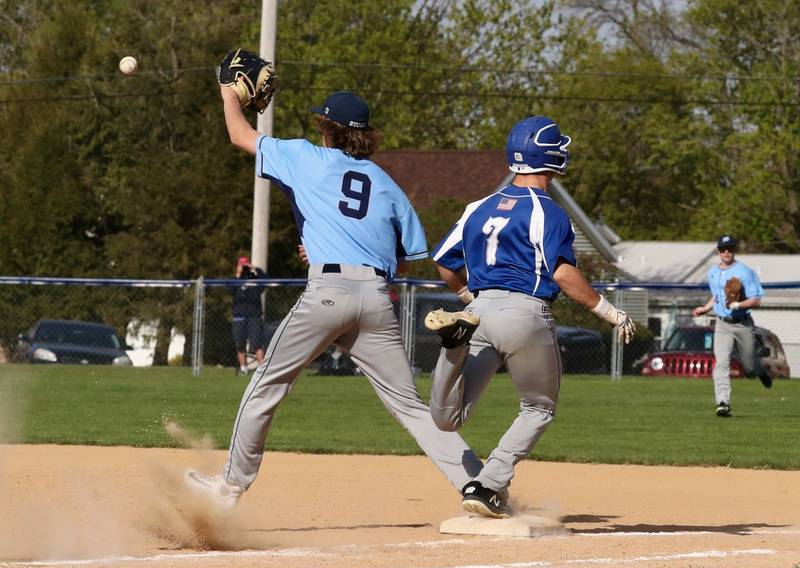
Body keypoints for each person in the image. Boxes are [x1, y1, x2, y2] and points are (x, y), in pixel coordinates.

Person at [185, 88, 483, 508]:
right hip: (377, 299)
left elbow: (240, 135)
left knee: (267, 384)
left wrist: (226, 92)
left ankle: (229, 487)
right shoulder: (388, 184)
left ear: (327, 128)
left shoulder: (307, 157)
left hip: (327, 294)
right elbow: (405, 263)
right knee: (413, 408)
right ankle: (482, 486)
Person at [423, 116, 636, 518]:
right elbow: (561, 272)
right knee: (538, 408)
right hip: (525, 313)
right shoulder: (548, 212)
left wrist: (468, 296)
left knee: (447, 418)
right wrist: (609, 311)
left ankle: (454, 347)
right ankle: (487, 484)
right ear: (549, 156)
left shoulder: (477, 207)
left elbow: (443, 261)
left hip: (478, 310)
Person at [693, 235, 771, 417]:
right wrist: (705, 308)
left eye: (729, 249)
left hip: (743, 323)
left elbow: (756, 300)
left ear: (734, 250)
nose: (726, 252)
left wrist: (739, 305)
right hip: (722, 324)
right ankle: (723, 403)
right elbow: (718, 295)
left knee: (749, 366)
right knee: (721, 364)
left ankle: (761, 371)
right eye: (723, 249)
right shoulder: (712, 272)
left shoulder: (745, 272)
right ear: (718, 251)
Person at [228, 256, 267, 375]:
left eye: (245, 265)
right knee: (239, 344)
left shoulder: (253, 278)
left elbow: (266, 279)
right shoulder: (236, 280)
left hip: (254, 316)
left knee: (256, 343)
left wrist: (255, 269)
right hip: (239, 316)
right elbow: (230, 289)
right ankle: (243, 368)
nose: (244, 267)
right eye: (242, 265)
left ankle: (262, 371)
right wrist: (238, 274)